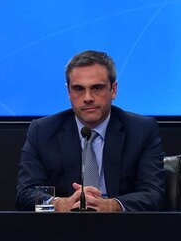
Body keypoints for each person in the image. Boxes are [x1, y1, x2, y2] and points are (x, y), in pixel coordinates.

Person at [16, 50, 165, 212]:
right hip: (62, 230)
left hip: (123, 229)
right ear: (69, 92)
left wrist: (111, 205)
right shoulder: (42, 131)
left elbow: (153, 195)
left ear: (113, 90)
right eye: (79, 89)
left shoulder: (141, 130)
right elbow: (26, 195)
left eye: (97, 88)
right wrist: (59, 204)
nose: (88, 98)